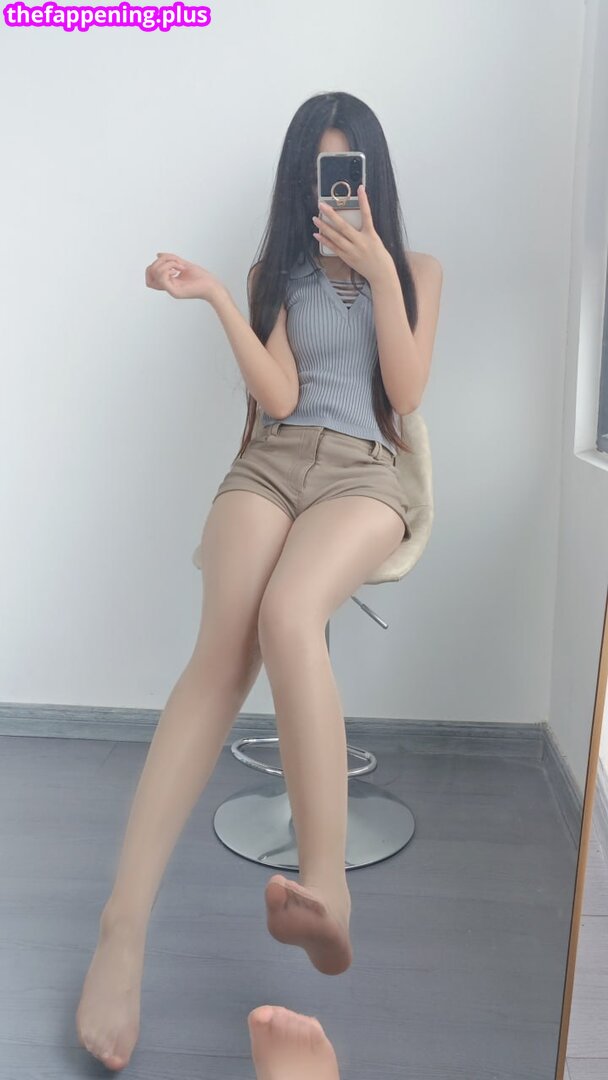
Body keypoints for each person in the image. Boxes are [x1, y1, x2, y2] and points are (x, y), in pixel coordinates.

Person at [75, 90, 443, 1072]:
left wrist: (377, 271)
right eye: (320, 175)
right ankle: (122, 927)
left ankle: (326, 892)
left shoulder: (415, 271)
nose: (335, 192)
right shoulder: (275, 274)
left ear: (371, 176)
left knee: (290, 614)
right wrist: (220, 301)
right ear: (300, 182)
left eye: (348, 172)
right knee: (221, 655)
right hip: (272, 465)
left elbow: (406, 393)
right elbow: (277, 396)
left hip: (364, 473)